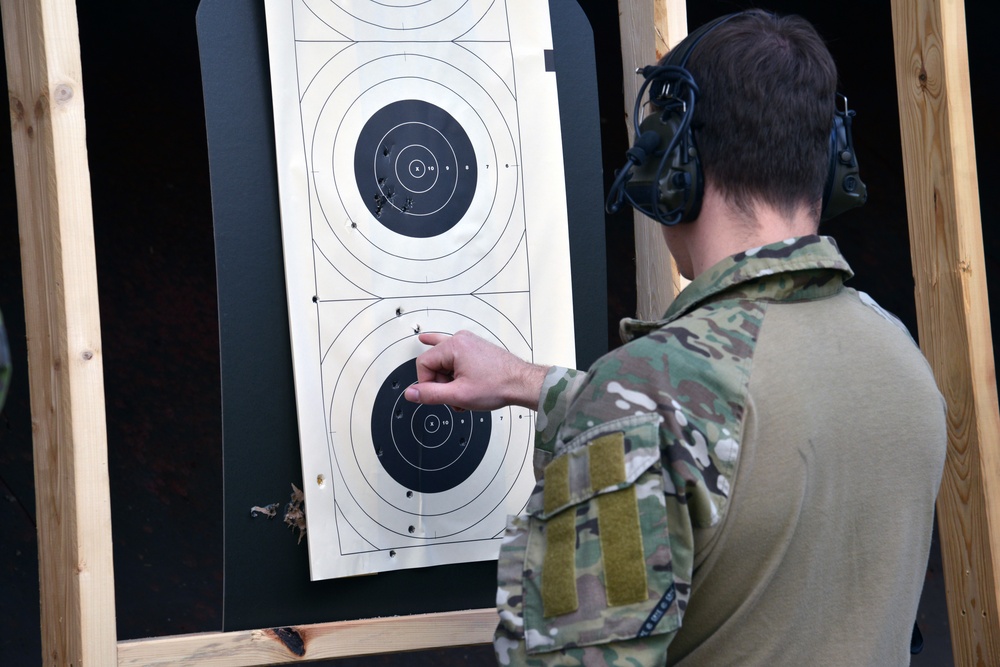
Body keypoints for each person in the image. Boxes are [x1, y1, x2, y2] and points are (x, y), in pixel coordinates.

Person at [405, 10, 946, 666]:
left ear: (673, 161)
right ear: (829, 159)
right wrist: (527, 381)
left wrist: (609, 402)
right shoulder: (899, 356)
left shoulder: (645, 393)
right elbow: (740, 435)